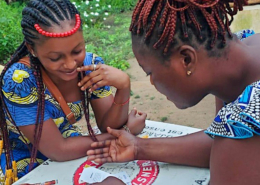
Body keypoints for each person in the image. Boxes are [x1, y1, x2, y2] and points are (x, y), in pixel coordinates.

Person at [86, 0, 260, 184]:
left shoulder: (245, 114)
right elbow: (223, 145)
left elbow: (234, 149)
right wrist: (138, 147)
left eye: (151, 73)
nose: (152, 82)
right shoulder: (237, 57)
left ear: (186, 59)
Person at [0, 0, 146, 179]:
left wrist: (123, 86)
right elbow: (58, 150)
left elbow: (108, 127)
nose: (70, 65)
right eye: (56, 58)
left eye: (77, 51)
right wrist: (127, 134)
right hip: (19, 158)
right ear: (32, 49)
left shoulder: (88, 67)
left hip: (71, 146)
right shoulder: (20, 81)